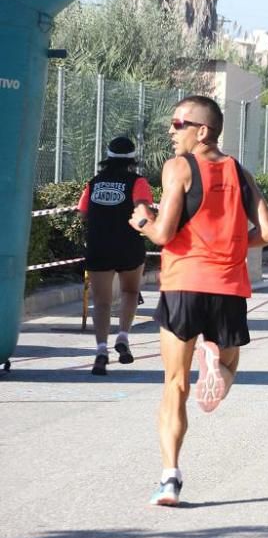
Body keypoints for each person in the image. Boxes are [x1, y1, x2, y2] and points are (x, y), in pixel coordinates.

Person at [128, 95, 268, 506]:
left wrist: (142, 219)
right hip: (228, 287)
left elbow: (162, 234)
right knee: (229, 364)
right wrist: (231, 247)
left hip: (183, 285)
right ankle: (218, 369)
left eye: (179, 123)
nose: (171, 130)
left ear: (203, 131)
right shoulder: (240, 172)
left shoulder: (179, 168)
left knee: (174, 385)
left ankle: (170, 479)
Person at [78, 136, 152, 375]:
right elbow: (143, 209)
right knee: (130, 291)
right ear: (132, 158)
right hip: (129, 246)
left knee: (101, 302)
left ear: (107, 157)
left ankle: (101, 350)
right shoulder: (137, 181)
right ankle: (123, 336)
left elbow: (82, 213)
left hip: (99, 247)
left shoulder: (94, 182)